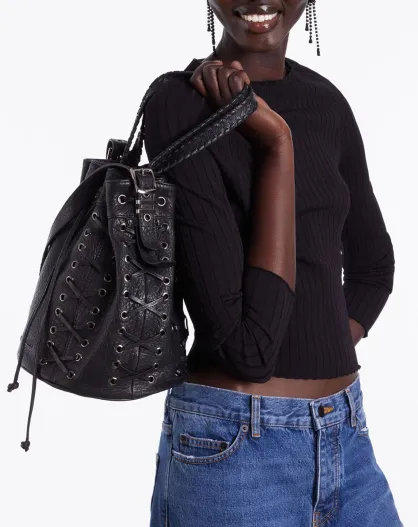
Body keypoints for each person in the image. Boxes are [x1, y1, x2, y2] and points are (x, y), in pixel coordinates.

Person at [143, 1, 403, 525]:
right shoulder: (179, 104)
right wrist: (276, 144)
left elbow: (374, 267)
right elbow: (248, 351)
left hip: (347, 432)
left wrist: (323, 345)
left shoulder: (326, 102)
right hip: (234, 447)